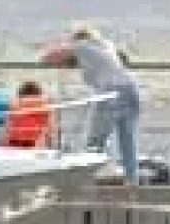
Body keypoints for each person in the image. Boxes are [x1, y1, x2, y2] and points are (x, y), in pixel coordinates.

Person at [42, 25, 141, 186]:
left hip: (111, 93)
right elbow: (119, 61)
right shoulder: (107, 45)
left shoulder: (82, 45)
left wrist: (65, 53)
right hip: (131, 90)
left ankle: (88, 184)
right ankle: (132, 185)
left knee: (94, 143)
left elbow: (49, 57)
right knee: (128, 145)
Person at [1, 81, 52, 148]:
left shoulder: (15, 104)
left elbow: (9, 124)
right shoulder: (44, 105)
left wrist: (5, 140)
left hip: (15, 138)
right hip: (34, 139)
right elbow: (47, 126)